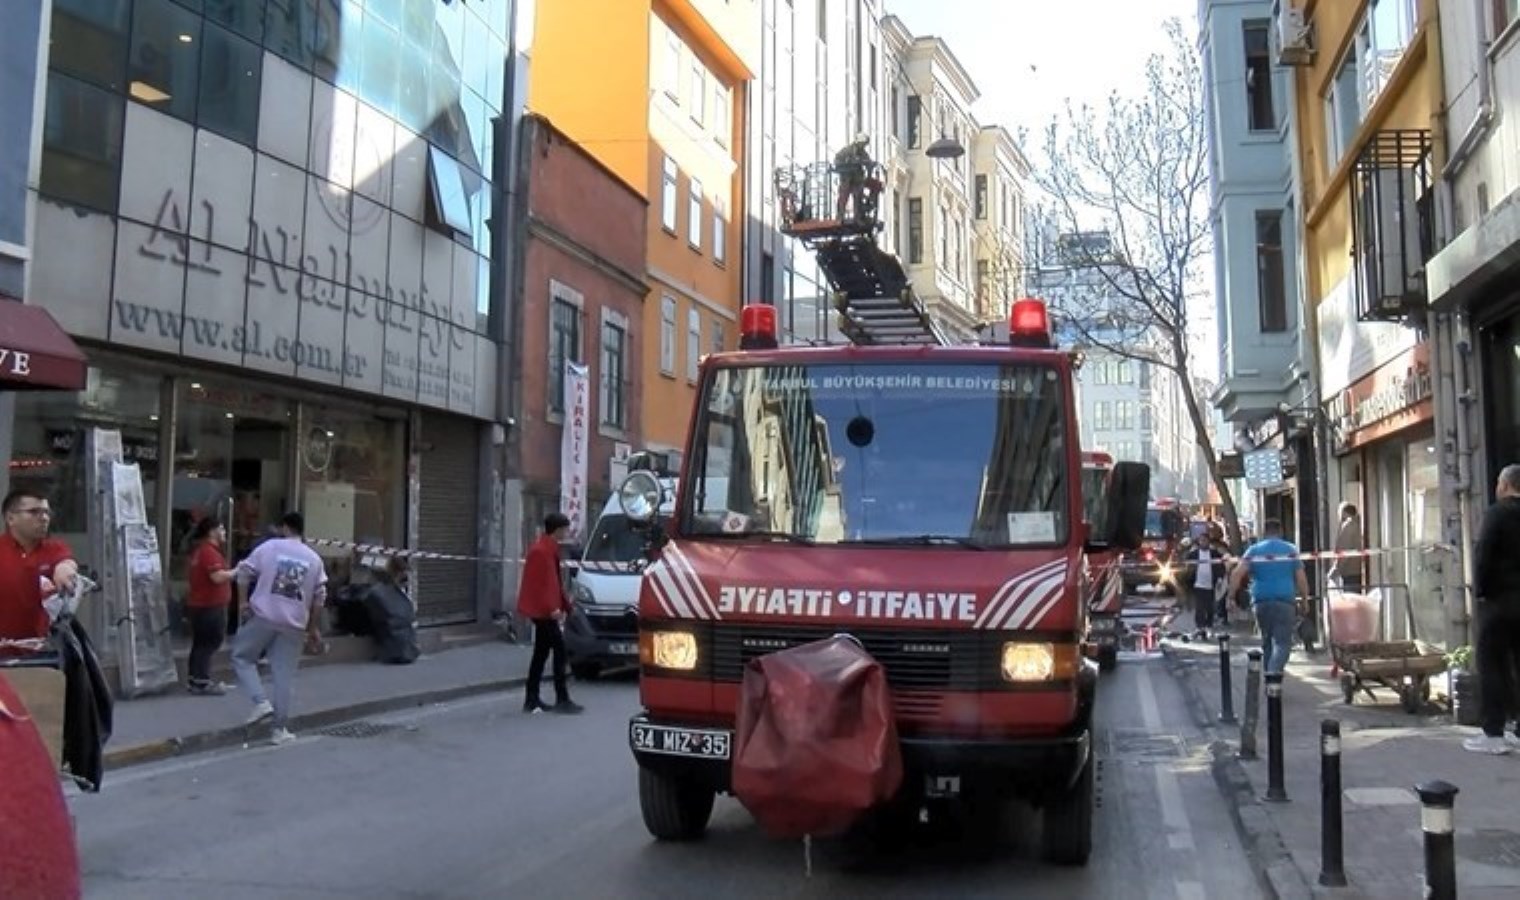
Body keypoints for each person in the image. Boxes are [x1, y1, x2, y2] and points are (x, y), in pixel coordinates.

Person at [231, 512, 327, 745]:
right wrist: (312, 628)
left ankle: (260, 702)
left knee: (242, 657)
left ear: (285, 527)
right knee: (283, 675)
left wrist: (243, 602)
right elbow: (319, 598)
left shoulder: (270, 547)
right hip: (294, 624)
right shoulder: (314, 559)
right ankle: (279, 730)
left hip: (263, 616)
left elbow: (244, 572)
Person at [1464, 464, 1520, 755]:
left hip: (1500, 602)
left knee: (1492, 663)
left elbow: (1483, 554)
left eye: (1499, 482)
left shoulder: (1497, 514)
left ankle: (1494, 732)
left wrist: (1481, 591)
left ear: (1505, 485)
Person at [517, 512, 583, 714]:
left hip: (546, 611)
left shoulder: (548, 549)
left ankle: (532, 698)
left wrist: (566, 606)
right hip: (543, 612)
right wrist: (552, 608)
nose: (567, 532)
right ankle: (561, 698)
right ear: (557, 530)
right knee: (559, 651)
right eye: (564, 529)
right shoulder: (540, 551)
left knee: (541, 653)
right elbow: (540, 585)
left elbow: (554, 583)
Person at [1227, 519, 1309, 675]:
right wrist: (1305, 599)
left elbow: (1236, 574)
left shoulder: (1254, 550)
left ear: (1264, 532)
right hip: (1285, 601)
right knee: (1283, 643)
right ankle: (1273, 673)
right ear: (1281, 531)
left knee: (1267, 642)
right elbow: (1301, 578)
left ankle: (1270, 684)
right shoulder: (1290, 550)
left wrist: (1231, 597)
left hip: (1261, 602)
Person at [0, 489, 79, 642]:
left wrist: (65, 569)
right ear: (11, 518)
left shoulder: (54, 549)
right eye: (34, 512)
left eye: (46, 512)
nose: (43, 518)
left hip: (41, 652)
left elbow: (67, 562)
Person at [185, 518, 236, 695]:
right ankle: (202, 682)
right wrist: (235, 572)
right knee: (209, 642)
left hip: (200, 605)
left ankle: (194, 680)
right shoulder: (209, 553)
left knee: (200, 644)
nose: (224, 532)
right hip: (210, 605)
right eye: (221, 528)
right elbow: (217, 577)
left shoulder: (201, 551)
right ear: (211, 531)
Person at [1180, 531, 1223, 638]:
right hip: (1198, 585)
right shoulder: (1193, 554)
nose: (1203, 543)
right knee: (1199, 607)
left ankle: (1209, 626)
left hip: (1210, 584)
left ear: (1209, 542)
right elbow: (1186, 568)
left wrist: (1220, 579)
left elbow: (1220, 566)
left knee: (1210, 607)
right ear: (1199, 542)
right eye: (1201, 541)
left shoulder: (1214, 553)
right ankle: (1200, 627)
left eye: (1205, 540)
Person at [832, 133, 873, 222]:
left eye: (865, 144)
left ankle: (857, 218)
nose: (864, 146)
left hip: (857, 180)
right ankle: (840, 217)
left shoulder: (863, 153)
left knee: (858, 198)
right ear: (858, 142)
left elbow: (869, 164)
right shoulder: (846, 151)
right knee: (843, 198)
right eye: (863, 144)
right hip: (846, 179)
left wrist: (868, 175)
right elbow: (837, 160)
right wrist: (845, 165)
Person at [1329, 503, 1366, 593]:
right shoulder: (1357, 524)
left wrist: (1335, 569)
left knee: (1350, 599)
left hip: (1350, 572)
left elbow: (1344, 550)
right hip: (1356, 570)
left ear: (1344, 512)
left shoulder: (1348, 526)